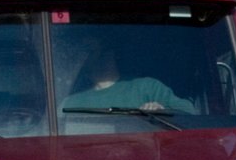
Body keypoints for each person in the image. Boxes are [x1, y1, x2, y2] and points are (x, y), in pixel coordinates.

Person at [61, 41, 194, 115]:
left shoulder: (147, 88)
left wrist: (162, 111)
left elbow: (189, 113)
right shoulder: (71, 103)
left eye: (91, 50)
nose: (84, 56)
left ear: (111, 53)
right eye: (85, 51)